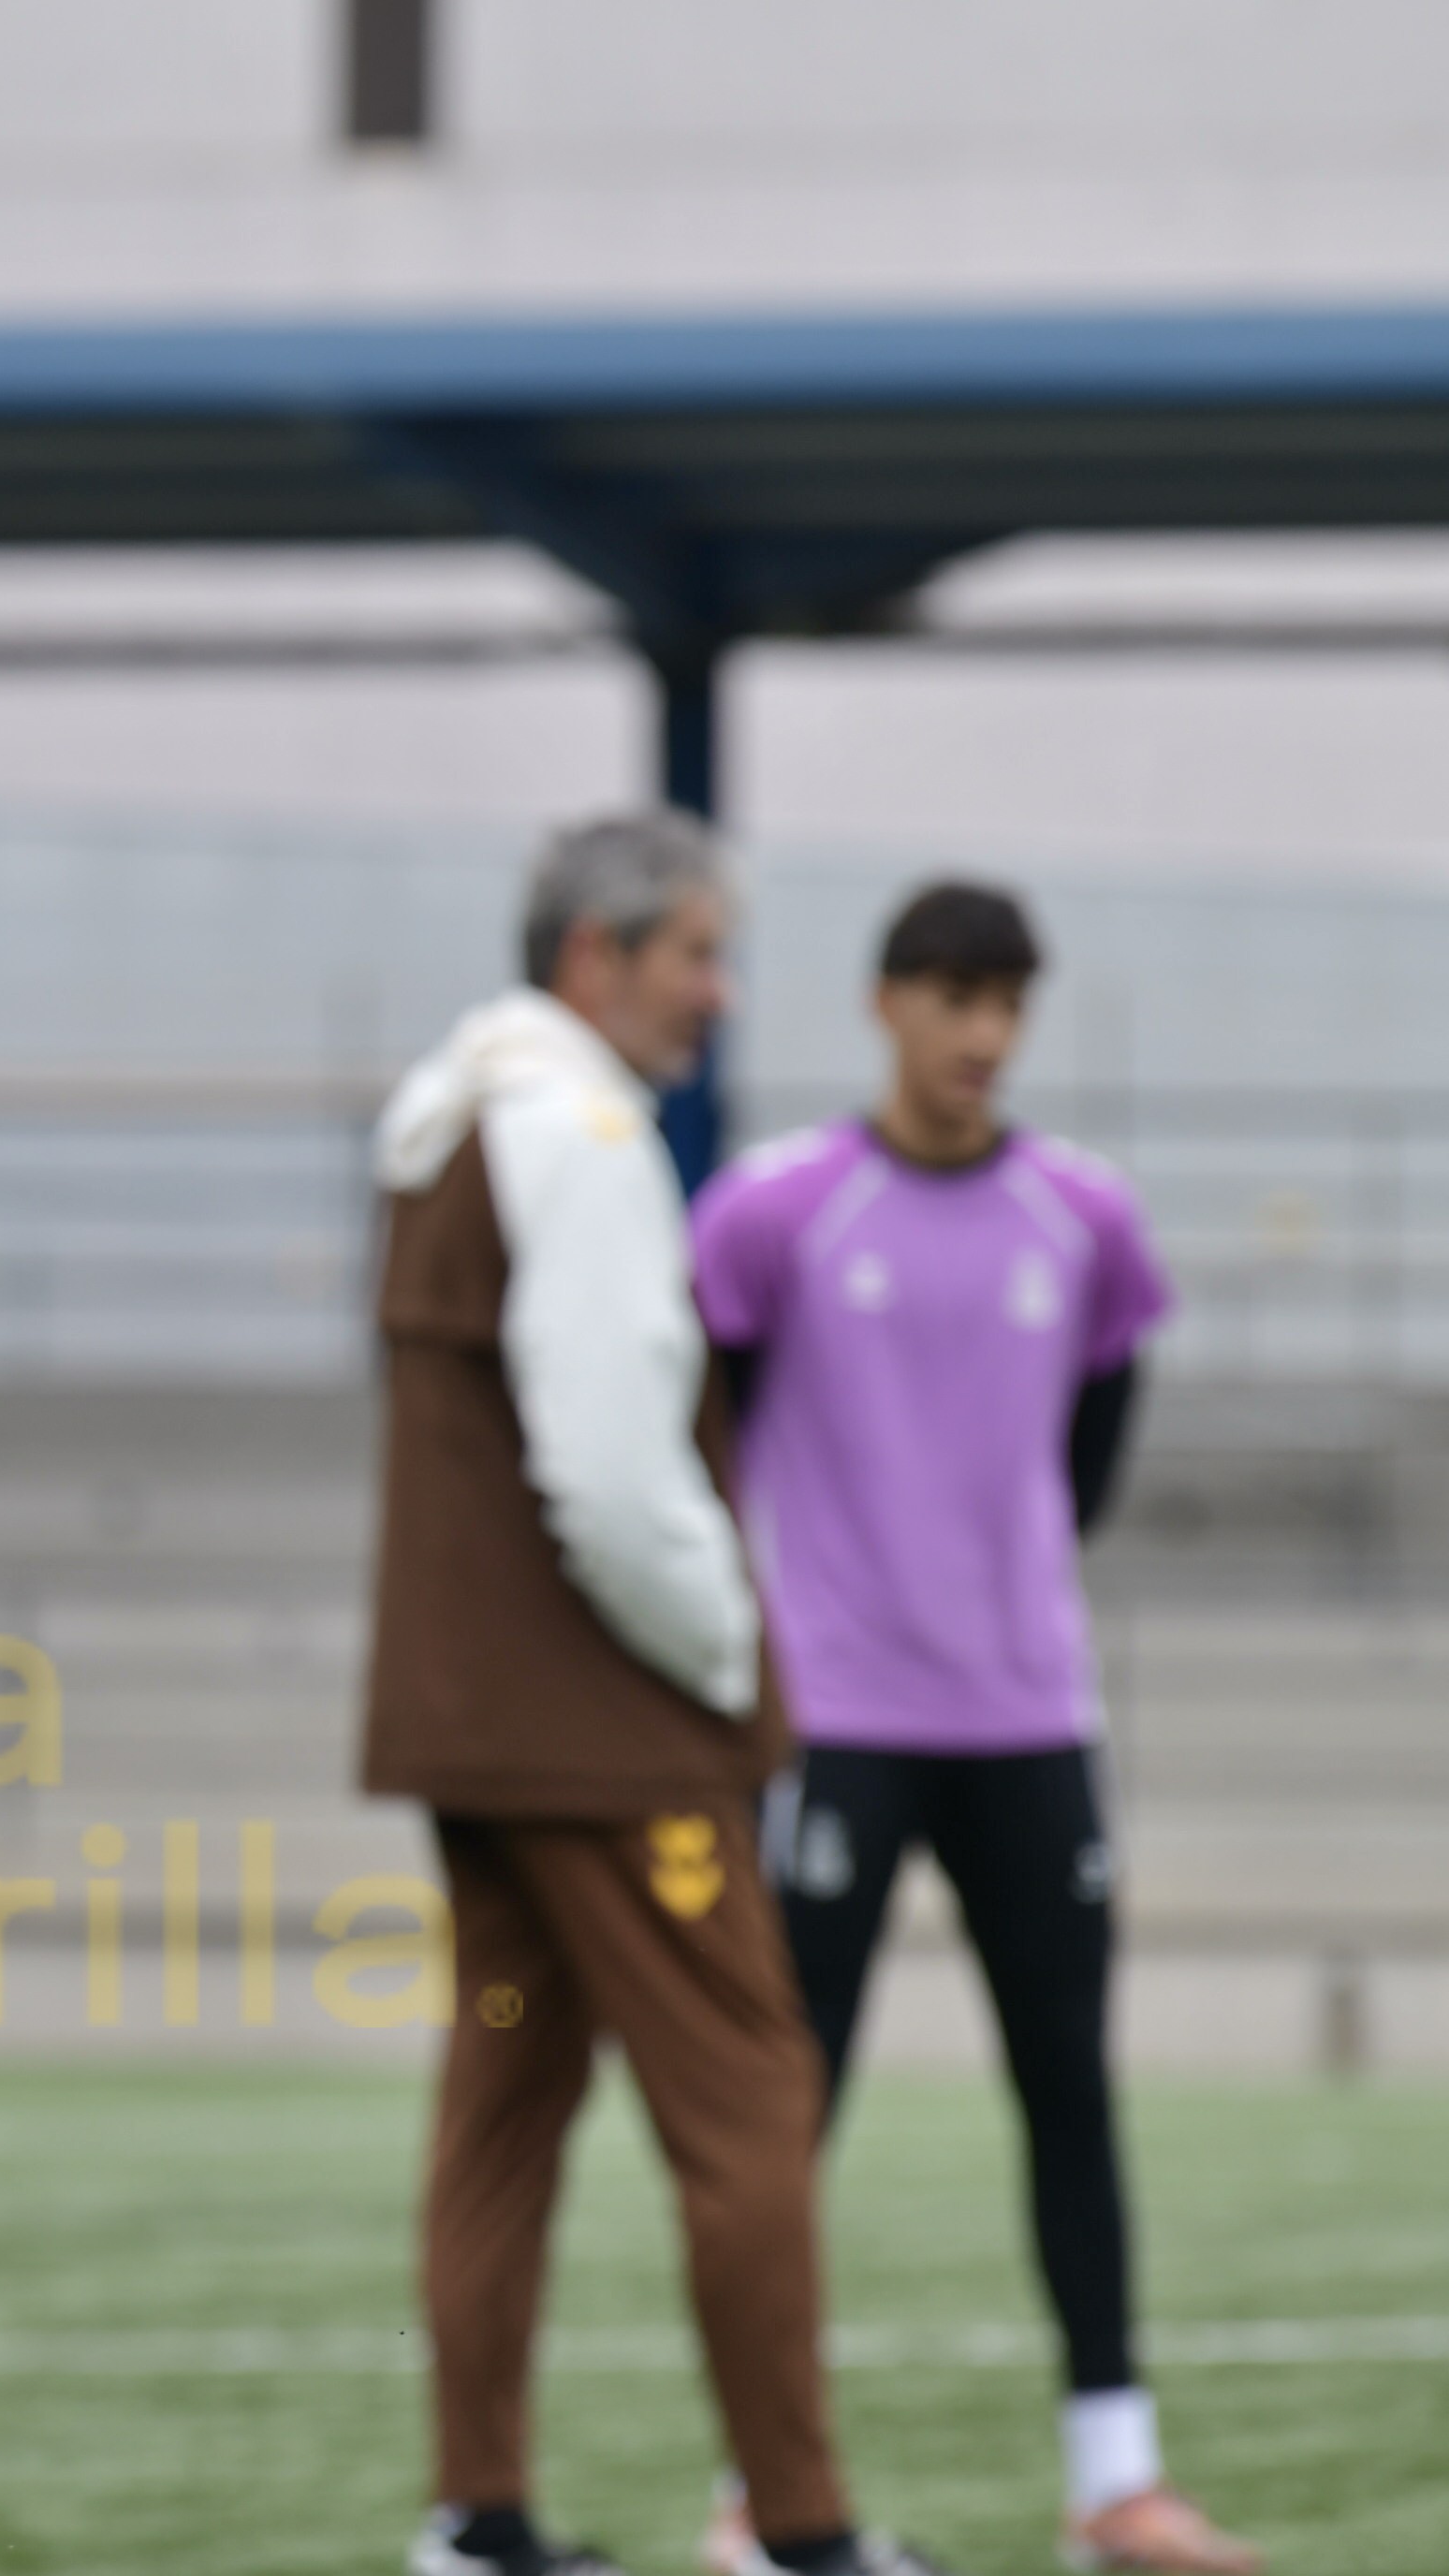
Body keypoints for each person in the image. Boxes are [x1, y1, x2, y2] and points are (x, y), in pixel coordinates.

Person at [361, 811, 949, 2576]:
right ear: (597, 957)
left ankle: (479, 2519)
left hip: (475, 1727)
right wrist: (729, 1659)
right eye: (697, 950)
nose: (721, 991)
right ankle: (807, 2528)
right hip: (610, 1737)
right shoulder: (584, 1133)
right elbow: (613, 1472)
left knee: (505, 2105)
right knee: (751, 2103)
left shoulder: (449, 1120)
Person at [688, 885, 1255, 2576]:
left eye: (1006, 998)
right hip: (837, 1726)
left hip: (1026, 1718)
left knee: (1070, 2089)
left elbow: (1090, 1448)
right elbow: (700, 1427)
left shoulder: (1087, 1217)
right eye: (950, 994)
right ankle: (757, 2495)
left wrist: (996, 1574)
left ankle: (1115, 2481)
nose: (981, 1032)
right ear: (884, 1005)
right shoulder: (777, 1211)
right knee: (794, 2109)